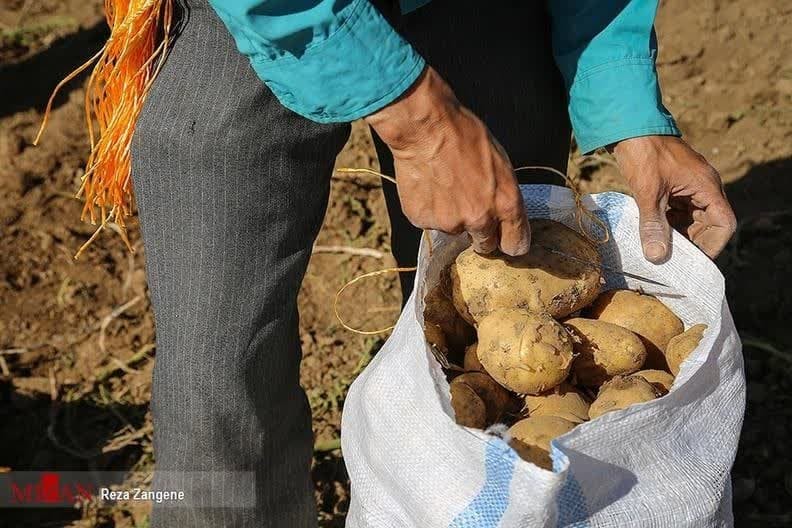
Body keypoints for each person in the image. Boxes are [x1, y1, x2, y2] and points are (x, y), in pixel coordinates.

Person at [129, 0, 737, 526]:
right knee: (214, 374)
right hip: (262, 14)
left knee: (473, 337)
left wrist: (629, 108)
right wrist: (420, 122)